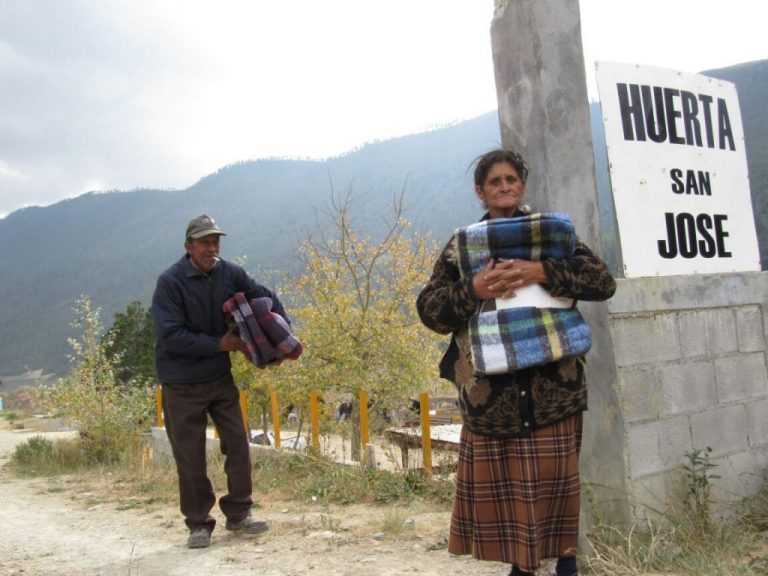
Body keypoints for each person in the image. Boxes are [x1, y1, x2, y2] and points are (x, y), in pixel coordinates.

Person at [416, 149, 616, 576]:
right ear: (480, 191)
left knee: (558, 484)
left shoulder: (550, 236)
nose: (505, 187)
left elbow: (602, 281)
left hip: (553, 390)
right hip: (493, 398)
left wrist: (541, 271)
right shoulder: (463, 246)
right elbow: (430, 310)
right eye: (495, 181)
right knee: (511, 491)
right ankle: (522, 568)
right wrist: (474, 286)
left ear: (522, 185)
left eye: (511, 179)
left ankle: (566, 565)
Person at [152, 214, 290, 549]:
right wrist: (219, 344)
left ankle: (239, 513)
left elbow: (265, 297)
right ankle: (199, 524)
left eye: (215, 241)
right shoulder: (170, 282)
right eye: (204, 242)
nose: (211, 248)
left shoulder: (230, 272)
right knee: (191, 455)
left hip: (218, 377)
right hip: (181, 382)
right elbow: (171, 336)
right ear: (188, 247)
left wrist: (281, 336)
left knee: (238, 444)